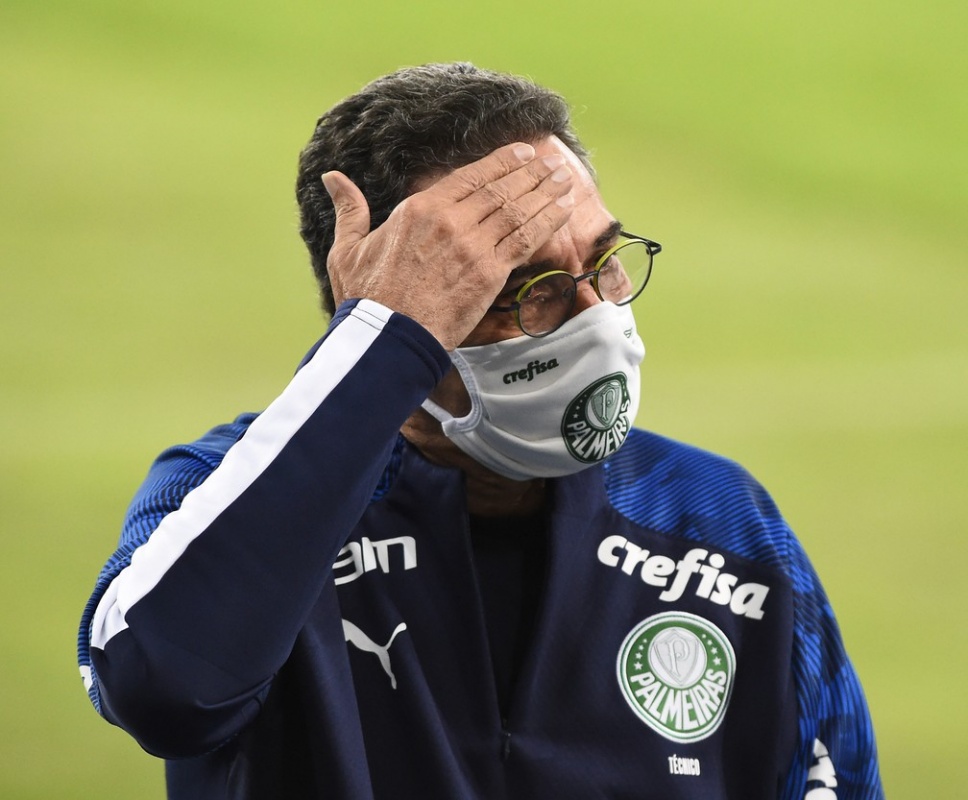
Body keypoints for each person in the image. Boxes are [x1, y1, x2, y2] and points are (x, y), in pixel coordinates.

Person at [77, 62, 883, 799]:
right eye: (524, 288)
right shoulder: (217, 490)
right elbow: (160, 688)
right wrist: (379, 346)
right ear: (392, 313)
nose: (595, 318)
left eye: (604, 261)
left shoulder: (721, 522)